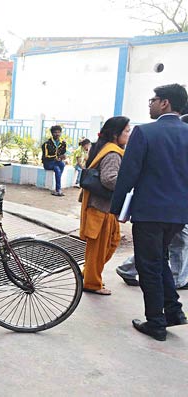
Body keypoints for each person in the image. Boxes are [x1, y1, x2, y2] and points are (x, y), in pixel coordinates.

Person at [111, 83, 188, 341]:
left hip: (149, 212)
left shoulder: (144, 132)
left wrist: (116, 208)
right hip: (179, 214)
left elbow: (128, 174)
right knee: (160, 259)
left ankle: (156, 322)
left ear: (165, 103)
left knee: (148, 265)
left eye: (153, 99)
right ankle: (174, 311)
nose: (150, 104)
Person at [79, 117, 130, 295]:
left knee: (110, 242)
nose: (129, 134)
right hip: (101, 207)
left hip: (101, 206)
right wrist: (128, 184)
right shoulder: (113, 153)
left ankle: (88, 273)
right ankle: (92, 283)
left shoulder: (102, 147)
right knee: (100, 247)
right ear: (116, 134)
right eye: (126, 131)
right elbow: (109, 179)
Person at [41, 125, 67, 196]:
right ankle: (58, 189)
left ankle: (58, 187)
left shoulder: (63, 143)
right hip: (48, 163)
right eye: (55, 132)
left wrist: (62, 157)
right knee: (57, 169)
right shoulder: (46, 144)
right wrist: (56, 157)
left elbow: (63, 153)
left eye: (59, 132)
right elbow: (46, 156)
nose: (57, 134)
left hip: (56, 162)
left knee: (62, 164)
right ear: (52, 133)